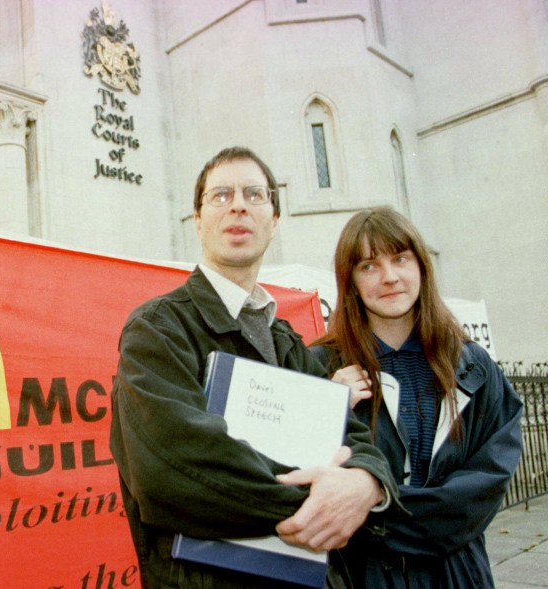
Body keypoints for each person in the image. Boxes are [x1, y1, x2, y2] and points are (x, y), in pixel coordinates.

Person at [110, 147, 403, 589]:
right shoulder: (158, 330)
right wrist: (329, 499)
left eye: (255, 194)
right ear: (198, 221)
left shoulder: (285, 339)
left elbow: (352, 434)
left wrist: (366, 483)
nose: (239, 204)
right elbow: (173, 469)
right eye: (220, 195)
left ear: (274, 221)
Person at [309, 206, 523, 588]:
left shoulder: (472, 366)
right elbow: (299, 477)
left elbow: (484, 486)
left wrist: (374, 512)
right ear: (351, 281)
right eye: (368, 266)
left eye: (400, 259)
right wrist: (326, 410)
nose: (389, 278)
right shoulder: (320, 367)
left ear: (421, 266)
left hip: (457, 573)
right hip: (363, 576)